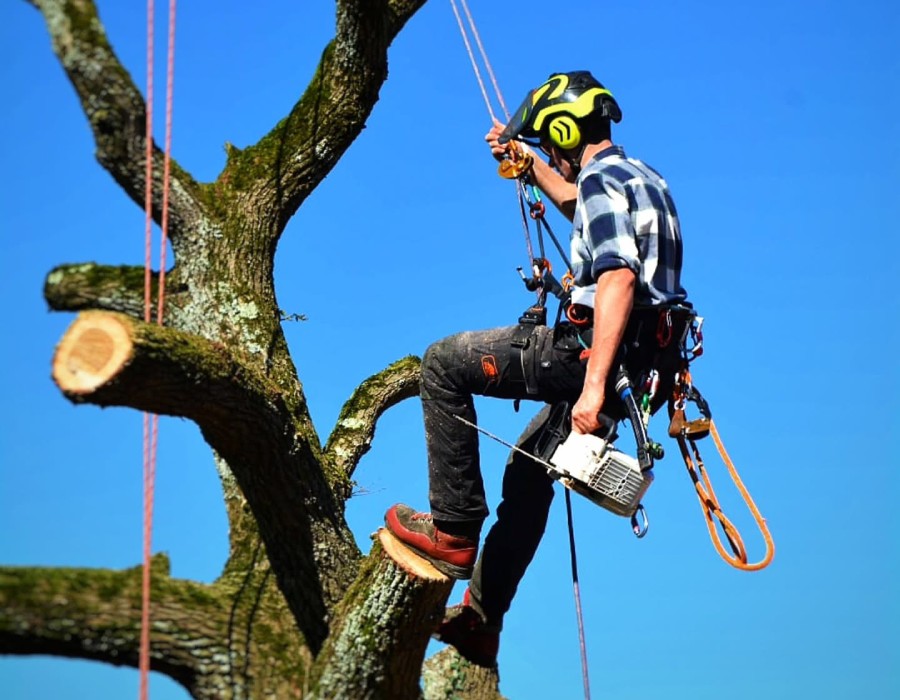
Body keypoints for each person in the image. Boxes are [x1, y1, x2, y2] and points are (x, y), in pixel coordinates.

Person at [384, 70, 689, 666]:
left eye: (551, 145)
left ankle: (451, 532)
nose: (554, 157)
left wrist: (593, 386)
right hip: (642, 368)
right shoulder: (642, 177)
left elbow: (619, 277)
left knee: (443, 364)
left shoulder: (602, 181)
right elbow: (581, 206)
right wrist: (529, 163)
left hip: (587, 357)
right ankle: (482, 617)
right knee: (528, 477)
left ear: (565, 130)